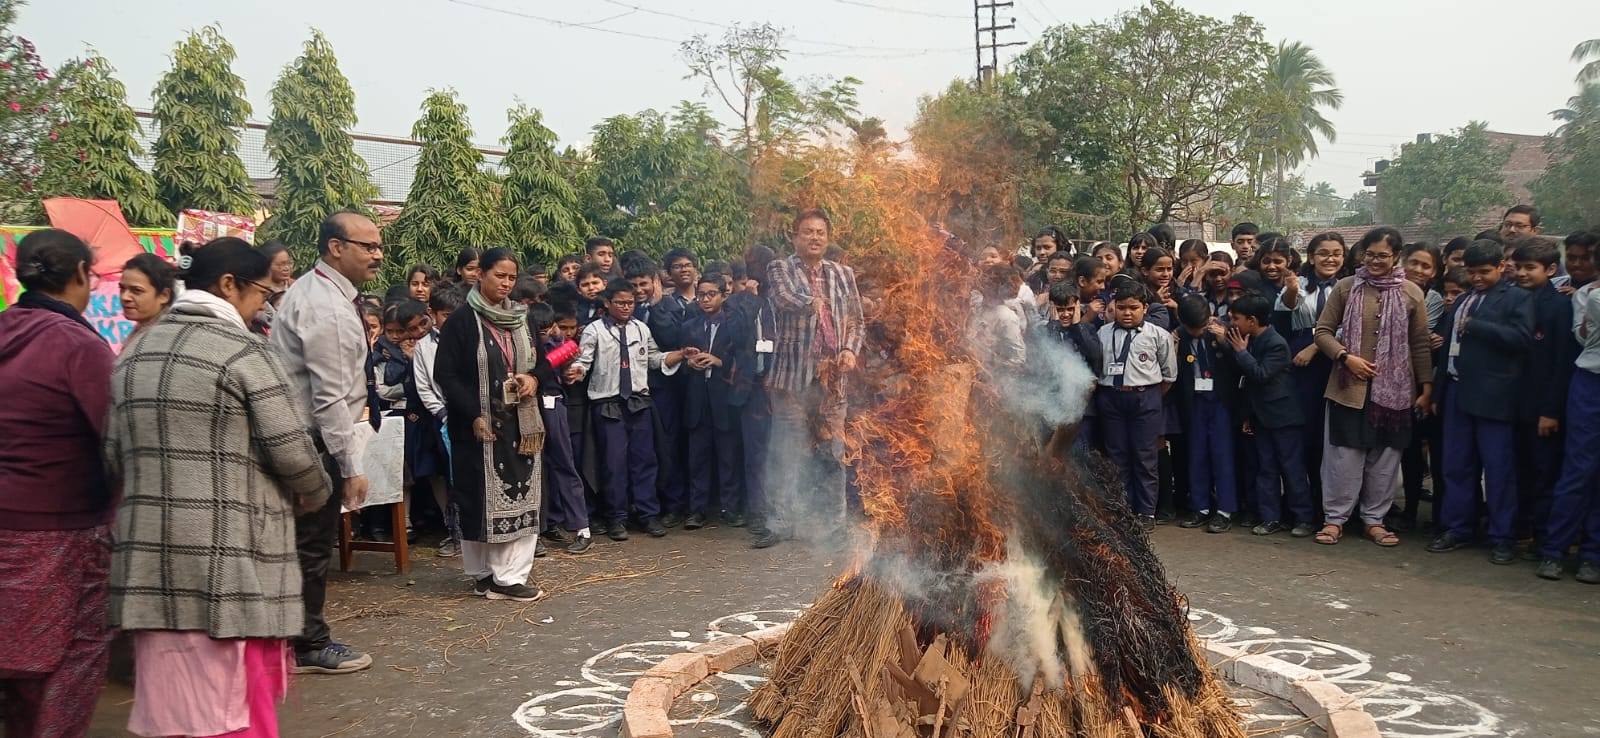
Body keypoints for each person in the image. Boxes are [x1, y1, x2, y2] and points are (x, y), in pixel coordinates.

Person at [105, 239, 330, 738]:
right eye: (261, 294)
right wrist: (316, 492)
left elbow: (111, 454)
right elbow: (295, 454)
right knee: (227, 706)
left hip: (149, 560)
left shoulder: (134, 351)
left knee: (170, 704)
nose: (263, 306)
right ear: (230, 285)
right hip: (230, 562)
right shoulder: (241, 350)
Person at [0, 229, 116, 738]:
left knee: (13, 662)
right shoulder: (78, 345)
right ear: (79, 276)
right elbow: (115, 438)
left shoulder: (6, 329)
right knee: (71, 656)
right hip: (62, 528)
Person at [268, 210, 382, 674]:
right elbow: (330, 396)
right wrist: (349, 466)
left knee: (306, 544)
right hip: (312, 439)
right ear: (336, 247)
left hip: (308, 435)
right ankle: (307, 642)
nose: (377, 254)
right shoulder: (325, 306)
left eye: (378, 246)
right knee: (312, 546)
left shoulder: (324, 294)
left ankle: (295, 636)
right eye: (367, 246)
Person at [433, 248, 550, 601]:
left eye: (511, 277)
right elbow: (446, 375)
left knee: (520, 492)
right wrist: (474, 414)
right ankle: (484, 573)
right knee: (477, 496)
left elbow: (542, 363)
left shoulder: (524, 318)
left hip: (520, 423)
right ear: (480, 274)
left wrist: (533, 379)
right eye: (499, 275)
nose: (506, 283)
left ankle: (510, 574)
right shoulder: (462, 321)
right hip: (478, 425)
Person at [1310, 228, 1434, 547]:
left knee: (1385, 459)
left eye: (1383, 255)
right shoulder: (1346, 287)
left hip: (1395, 392)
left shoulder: (1411, 293)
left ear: (1396, 257)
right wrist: (1345, 357)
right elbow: (1322, 331)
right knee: (1343, 458)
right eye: (1370, 254)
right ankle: (1335, 519)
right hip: (1347, 387)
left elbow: (1419, 345)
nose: (1375, 261)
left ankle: (1374, 520)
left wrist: (1426, 387)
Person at [1427, 240, 1535, 564]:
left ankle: (1503, 536)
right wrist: (1439, 391)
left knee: (1498, 468)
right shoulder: (1461, 299)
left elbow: (1522, 338)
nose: (1477, 278)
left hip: (1494, 397)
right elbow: (1447, 349)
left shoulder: (1517, 298)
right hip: (1457, 391)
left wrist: (1477, 326)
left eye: (1484, 272)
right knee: (1456, 465)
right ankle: (1458, 528)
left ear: (1502, 267)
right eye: (1471, 272)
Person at [764, 209, 865, 539]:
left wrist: (849, 349)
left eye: (820, 231)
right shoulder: (780, 268)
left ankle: (834, 525)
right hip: (792, 379)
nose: (815, 237)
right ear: (795, 237)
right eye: (807, 231)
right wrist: (814, 302)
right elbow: (783, 298)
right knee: (787, 451)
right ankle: (779, 524)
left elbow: (855, 320)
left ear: (828, 236)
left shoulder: (843, 273)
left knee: (833, 453)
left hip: (833, 381)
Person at [570, 278, 688, 540]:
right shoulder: (595, 330)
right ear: (607, 303)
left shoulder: (641, 329)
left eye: (630, 303)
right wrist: (575, 372)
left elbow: (654, 359)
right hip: (607, 403)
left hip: (638, 402)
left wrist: (679, 354)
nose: (626, 307)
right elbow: (584, 360)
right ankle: (616, 517)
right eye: (620, 303)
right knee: (614, 463)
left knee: (645, 460)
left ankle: (648, 514)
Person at [1228, 292, 1314, 537]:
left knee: (1292, 468)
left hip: (1283, 417)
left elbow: (1261, 374)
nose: (1232, 323)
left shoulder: (1275, 343)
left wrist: (1241, 353)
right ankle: (1270, 517)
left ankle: (1303, 518)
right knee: (1266, 468)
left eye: (1236, 318)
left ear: (1252, 321)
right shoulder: (1250, 340)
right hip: (1261, 416)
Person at [1536, 259, 1600, 583]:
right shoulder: (1586, 295)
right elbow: (1585, 338)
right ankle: (1554, 550)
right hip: (1591, 382)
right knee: (1579, 469)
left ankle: (1593, 555)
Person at [1094, 281, 1176, 529]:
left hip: (1146, 397)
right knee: (1117, 455)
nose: (1127, 313)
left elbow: (1169, 375)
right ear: (1113, 308)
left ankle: (1146, 512)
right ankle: (1124, 509)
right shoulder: (1103, 333)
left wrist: (1146, 394)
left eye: (1133, 308)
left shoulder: (1158, 335)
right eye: (1121, 308)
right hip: (1111, 397)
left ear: (1145, 308)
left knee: (1145, 456)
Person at [1510, 238, 1575, 546]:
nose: (1522, 273)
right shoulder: (1510, 300)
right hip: (1513, 404)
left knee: (1544, 473)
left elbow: (1561, 364)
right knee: (1517, 469)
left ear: (1550, 269)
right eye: (1518, 267)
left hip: (1542, 408)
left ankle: (1545, 538)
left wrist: (1550, 411)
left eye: (1530, 268)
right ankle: (1520, 528)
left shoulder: (1559, 306)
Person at [680, 274, 750, 529]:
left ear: (724, 295)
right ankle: (697, 510)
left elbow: (744, 360)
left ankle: (730, 508)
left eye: (711, 294)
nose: (706, 300)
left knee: (727, 455)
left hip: (724, 398)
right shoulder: (690, 326)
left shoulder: (735, 326)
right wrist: (688, 362)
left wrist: (720, 362)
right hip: (697, 397)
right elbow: (680, 362)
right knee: (697, 456)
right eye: (701, 295)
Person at [728, 245, 781, 549]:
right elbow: (734, 337)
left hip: (783, 386)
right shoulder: (739, 303)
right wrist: (750, 300)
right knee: (756, 453)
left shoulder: (783, 301)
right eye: (754, 266)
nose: (760, 272)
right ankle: (760, 514)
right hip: (752, 387)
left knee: (784, 450)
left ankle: (786, 511)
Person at [529, 302, 590, 555]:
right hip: (528, 407)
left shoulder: (558, 347)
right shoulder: (525, 347)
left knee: (564, 463)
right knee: (533, 469)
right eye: (539, 330)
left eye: (548, 328)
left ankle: (582, 529)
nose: (546, 333)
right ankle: (538, 530)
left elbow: (567, 357)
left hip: (553, 404)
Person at [1174, 294, 1238, 533]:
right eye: (1193, 329)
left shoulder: (1223, 331)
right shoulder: (1178, 334)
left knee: (1222, 455)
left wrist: (1225, 344)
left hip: (1220, 401)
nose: (1198, 333)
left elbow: (1239, 366)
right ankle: (1199, 506)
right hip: (1194, 402)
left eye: (1202, 327)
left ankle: (1224, 509)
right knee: (1197, 454)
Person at [413, 286, 464, 558]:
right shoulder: (423, 346)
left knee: (470, 475)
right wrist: (442, 413)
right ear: (432, 314)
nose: (451, 320)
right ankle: (454, 532)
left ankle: (474, 532)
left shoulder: (470, 339)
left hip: (470, 416)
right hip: (442, 417)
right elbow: (424, 387)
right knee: (448, 476)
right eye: (445, 315)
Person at [968, 264, 1029, 375]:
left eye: (991, 282)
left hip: (993, 378)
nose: (985, 285)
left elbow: (1018, 358)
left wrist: (992, 366)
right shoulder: (977, 305)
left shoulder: (1006, 316)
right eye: (985, 281)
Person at [120, 252, 178, 335]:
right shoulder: (141, 331)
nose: (124, 297)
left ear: (164, 296)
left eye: (137, 290)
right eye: (122, 288)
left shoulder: (167, 336)